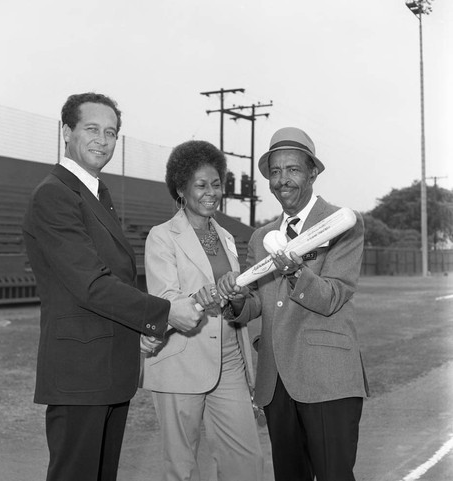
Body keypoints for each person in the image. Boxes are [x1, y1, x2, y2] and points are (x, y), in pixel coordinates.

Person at [22, 92, 203, 481]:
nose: (103, 140)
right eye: (92, 129)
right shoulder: (55, 194)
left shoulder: (96, 193)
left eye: (111, 132)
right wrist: (165, 312)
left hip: (104, 369)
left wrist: (134, 330)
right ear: (66, 131)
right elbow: (90, 283)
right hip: (79, 374)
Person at [218, 127, 369, 481]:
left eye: (293, 169)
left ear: (313, 172)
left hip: (327, 377)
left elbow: (332, 295)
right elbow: (259, 302)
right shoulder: (260, 238)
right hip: (276, 383)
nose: (282, 180)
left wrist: (297, 273)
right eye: (275, 171)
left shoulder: (342, 224)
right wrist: (239, 301)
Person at [140, 140, 263, 481]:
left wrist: (235, 296)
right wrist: (202, 297)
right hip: (180, 359)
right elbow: (166, 302)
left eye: (216, 183)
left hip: (230, 360)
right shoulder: (162, 237)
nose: (211, 192)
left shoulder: (224, 237)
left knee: (247, 463)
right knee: (181, 469)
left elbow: (239, 299)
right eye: (200, 185)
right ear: (180, 189)